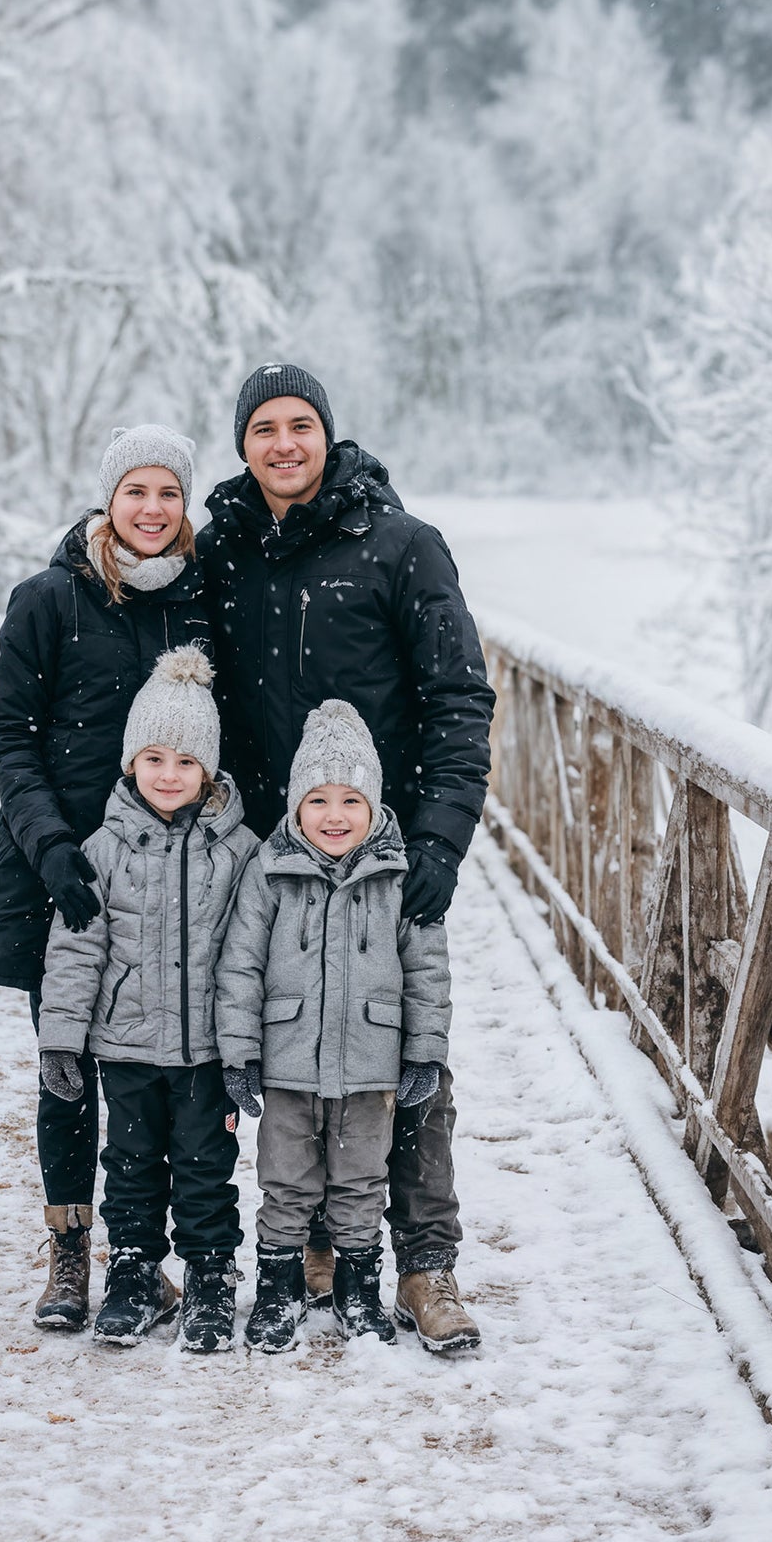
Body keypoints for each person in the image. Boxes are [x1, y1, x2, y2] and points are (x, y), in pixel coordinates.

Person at [199, 362, 493, 1353]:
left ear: (327, 434)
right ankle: (322, 1238)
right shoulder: (224, 552)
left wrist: (443, 834)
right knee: (289, 1039)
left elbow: (459, 698)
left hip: (387, 850)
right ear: (242, 444)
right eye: (262, 430)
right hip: (267, 857)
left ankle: (425, 1262)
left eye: (299, 425)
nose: (283, 444)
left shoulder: (401, 547)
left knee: (408, 1051)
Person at [0, 424, 210, 1331]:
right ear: (106, 500)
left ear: (185, 507)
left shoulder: (201, 602)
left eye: (168, 494)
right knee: (67, 1065)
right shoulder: (46, 600)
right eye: (135, 492)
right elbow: (9, 735)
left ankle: (143, 1260)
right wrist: (49, 845)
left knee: (154, 1075)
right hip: (62, 872)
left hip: (174, 876)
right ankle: (70, 1254)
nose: (151, 510)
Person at [37, 647, 258, 1352]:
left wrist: (247, 1047)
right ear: (131, 763)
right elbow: (75, 949)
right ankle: (133, 1273)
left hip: (205, 1051)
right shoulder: (101, 850)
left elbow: (253, 956)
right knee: (128, 1169)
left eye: (185, 762)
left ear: (209, 771)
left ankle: (210, 1278)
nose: (169, 775)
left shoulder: (240, 852)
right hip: (125, 1045)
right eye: (155, 758)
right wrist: (61, 1039)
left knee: (204, 1171)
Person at [216, 699, 451, 1352]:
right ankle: (278, 1287)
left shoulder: (400, 878)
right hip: (287, 1060)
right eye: (318, 800)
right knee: (285, 1182)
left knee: (358, 1183)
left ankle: (356, 1288)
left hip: (368, 1065)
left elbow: (427, 975)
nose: (334, 816)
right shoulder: (269, 873)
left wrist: (423, 1055)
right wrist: (238, 1055)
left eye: (351, 801)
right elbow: (238, 967)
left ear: (373, 808)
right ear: (295, 806)